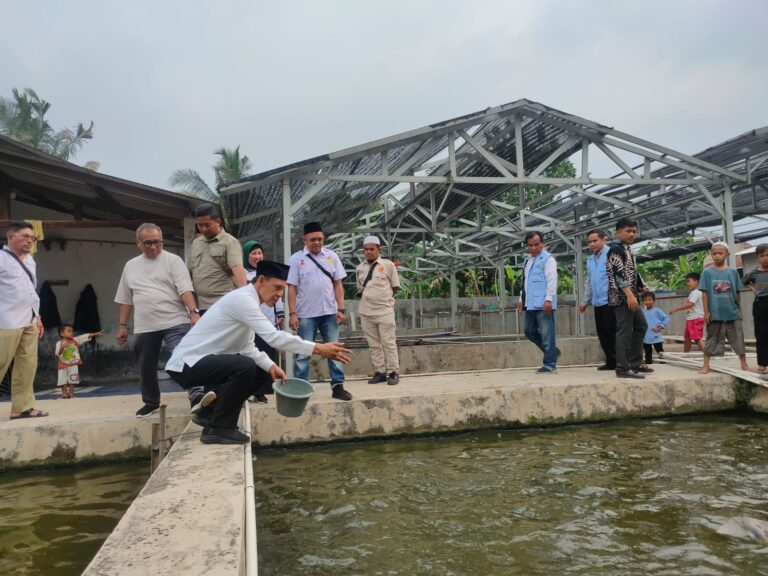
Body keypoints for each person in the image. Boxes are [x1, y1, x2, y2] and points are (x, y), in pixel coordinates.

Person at [165, 260, 351, 444]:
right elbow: (273, 337)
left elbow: (247, 347)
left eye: (282, 290)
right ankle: (219, 429)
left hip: (203, 362)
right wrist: (318, 348)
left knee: (262, 372)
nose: (279, 295)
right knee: (244, 367)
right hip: (187, 364)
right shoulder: (243, 300)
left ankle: (209, 412)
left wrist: (271, 366)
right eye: (277, 287)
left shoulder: (250, 302)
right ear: (261, 280)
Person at [115, 223, 203, 418]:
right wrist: (122, 326)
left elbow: (184, 289)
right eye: (148, 243)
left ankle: (197, 397)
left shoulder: (173, 261)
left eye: (158, 242)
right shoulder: (131, 266)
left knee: (184, 356)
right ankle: (151, 402)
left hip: (175, 320)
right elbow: (126, 299)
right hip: (145, 324)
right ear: (138, 243)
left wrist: (193, 312)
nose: (154, 246)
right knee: (145, 365)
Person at [287, 222, 352, 400]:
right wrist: (292, 314)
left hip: (330, 313)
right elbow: (291, 288)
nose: (317, 242)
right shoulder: (296, 260)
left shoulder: (332, 257)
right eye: (313, 239)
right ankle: (301, 388)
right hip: (306, 314)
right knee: (303, 352)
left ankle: (338, 386)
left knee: (335, 350)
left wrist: (341, 309)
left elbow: (338, 284)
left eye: (320, 239)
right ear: (304, 240)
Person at [0, 221, 48, 420]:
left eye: (32, 237)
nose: (30, 241)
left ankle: (23, 407)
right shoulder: (1, 259)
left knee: (27, 365)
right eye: (25, 236)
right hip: (5, 320)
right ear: (10, 237)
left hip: (29, 319)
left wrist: (37, 316)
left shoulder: (30, 260)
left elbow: (30, 291)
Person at [606, 217, 651, 379]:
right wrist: (629, 295)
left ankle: (634, 363)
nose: (632, 234)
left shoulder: (628, 250)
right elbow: (619, 274)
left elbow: (631, 272)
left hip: (631, 296)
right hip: (622, 298)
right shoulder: (616, 249)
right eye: (628, 231)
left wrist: (639, 287)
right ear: (618, 233)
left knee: (641, 326)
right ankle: (622, 368)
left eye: (634, 231)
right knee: (624, 332)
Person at [242, 239, 284, 403]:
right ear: (247, 256)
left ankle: (262, 390)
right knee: (251, 356)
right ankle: (247, 389)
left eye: (259, 253)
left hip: (268, 319)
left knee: (267, 353)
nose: (257, 256)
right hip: (250, 321)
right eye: (253, 253)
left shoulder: (269, 273)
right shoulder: (242, 274)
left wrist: (280, 313)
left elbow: (277, 291)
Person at [356, 235, 401, 385]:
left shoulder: (388, 265)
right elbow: (360, 288)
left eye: (372, 249)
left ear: (378, 250)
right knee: (374, 344)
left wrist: (384, 301)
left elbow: (395, 287)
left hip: (384, 311)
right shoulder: (360, 268)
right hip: (366, 312)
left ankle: (393, 372)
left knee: (389, 343)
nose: (369, 252)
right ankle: (380, 372)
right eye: (366, 249)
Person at [699, 242, 750, 375]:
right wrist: (706, 312)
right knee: (711, 339)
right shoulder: (707, 272)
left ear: (727, 254)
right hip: (714, 313)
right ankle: (706, 365)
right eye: (714, 253)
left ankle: (744, 364)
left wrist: (740, 310)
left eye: (720, 253)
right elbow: (704, 293)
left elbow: (737, 293)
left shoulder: (733, 272)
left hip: (732, 312)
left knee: (738, 338)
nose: (717, 256)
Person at [187, 203, 247, 313]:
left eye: (207, 225)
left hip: (224, 304)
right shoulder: (196, 243)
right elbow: (188, 273)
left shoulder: (230, 242)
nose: (203, 229)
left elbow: (238, 272)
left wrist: (245, 301)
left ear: (218, 222)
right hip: (201, 306)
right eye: (200, 225)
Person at [516, 231, 559, 373]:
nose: (534, 248)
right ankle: (553, 351)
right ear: (526, 246)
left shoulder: (548, 259)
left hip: (543, 303)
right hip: (530, 302)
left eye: (536, 244)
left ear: (542, 244)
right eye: (530, 245)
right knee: (529, 331)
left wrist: (549, 299)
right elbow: (526, 282)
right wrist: (521, 299)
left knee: (547, 334)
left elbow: (552, 280)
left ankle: (549, 364)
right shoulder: (527, 261)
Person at [578, 229, 616, 370]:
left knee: (612, 331)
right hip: (597, 302)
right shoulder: (590, 260)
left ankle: (620, 361)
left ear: (603, 240)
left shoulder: (611, 254)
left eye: (595, 240)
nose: (592, 244)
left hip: (610, 301)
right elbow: (589, 282)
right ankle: (611, 361)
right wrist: (584, 301)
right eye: (589, 242)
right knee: (602, 333)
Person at [55, 323, 102, 398]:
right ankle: (64, 394)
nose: (71, 333)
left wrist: (95, 334)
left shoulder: (75, 340)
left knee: (72, 379)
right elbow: (58, 354)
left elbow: (85, 336)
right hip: (63, 364)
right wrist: (62, 348)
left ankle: (71, 394)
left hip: (73, 364)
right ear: (62, 333)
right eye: (69, 331)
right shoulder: (59, 343)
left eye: (72, 331)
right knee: (62, 380)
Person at [743, 244, 768, 374]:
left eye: (767, 255)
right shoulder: (753, 273)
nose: (765, 258)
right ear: (757, 257)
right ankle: (763, 363)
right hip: (760, 303)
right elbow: (745, 281)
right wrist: (754, 289)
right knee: (761, 333)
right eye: (762, 255)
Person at [669, 272, 705, 353]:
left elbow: (690, 304)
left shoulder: (696, 292)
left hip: (696, 319)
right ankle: (686, 354)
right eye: (687, 281)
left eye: (689, 281)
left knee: (697, 338)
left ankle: (707, 354)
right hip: (691, 319)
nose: (687, 283)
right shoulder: (693, 293)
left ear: (696, 281)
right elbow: (692, 306)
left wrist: (676, 309)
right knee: (687, 338)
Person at [642, 292, 668, 364]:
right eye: (645, 300)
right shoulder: (642, 312)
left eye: (649, 300)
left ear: (653, 300)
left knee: (660, 353)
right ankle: (649, 366)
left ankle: (663, 366)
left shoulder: (657, 311)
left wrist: (660, 327)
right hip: (646, 337)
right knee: (648, 354)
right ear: (643, 301)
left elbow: (666, 318)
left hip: (656, 336)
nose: (647, 302)